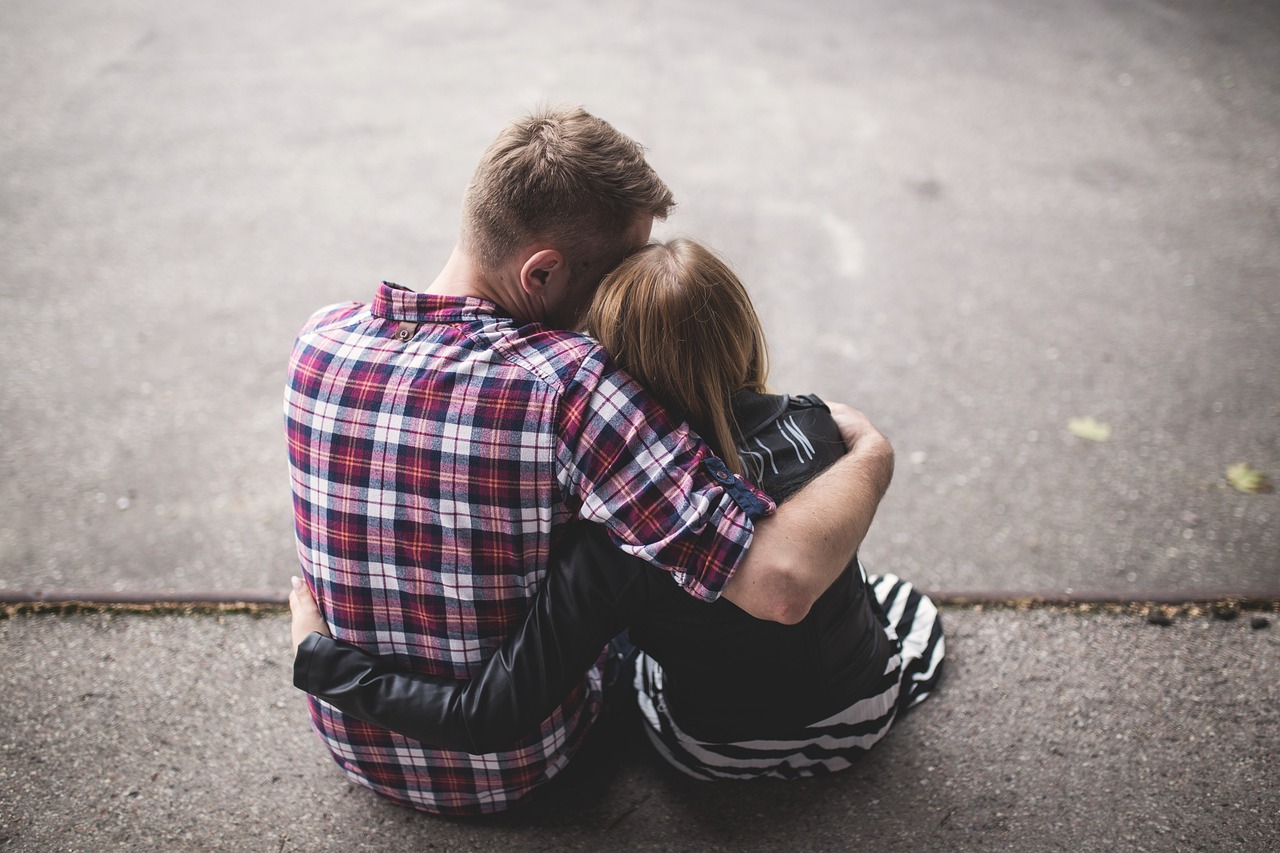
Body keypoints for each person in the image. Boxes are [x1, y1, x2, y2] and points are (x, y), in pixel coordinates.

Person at [285, 108, 896, 814]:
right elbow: (775, 582)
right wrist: (873, 456)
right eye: (612, 274)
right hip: (521, 770)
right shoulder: (572, 384)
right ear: (541, 271)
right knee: (647, 578)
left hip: (353, 740)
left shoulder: (319, 339)